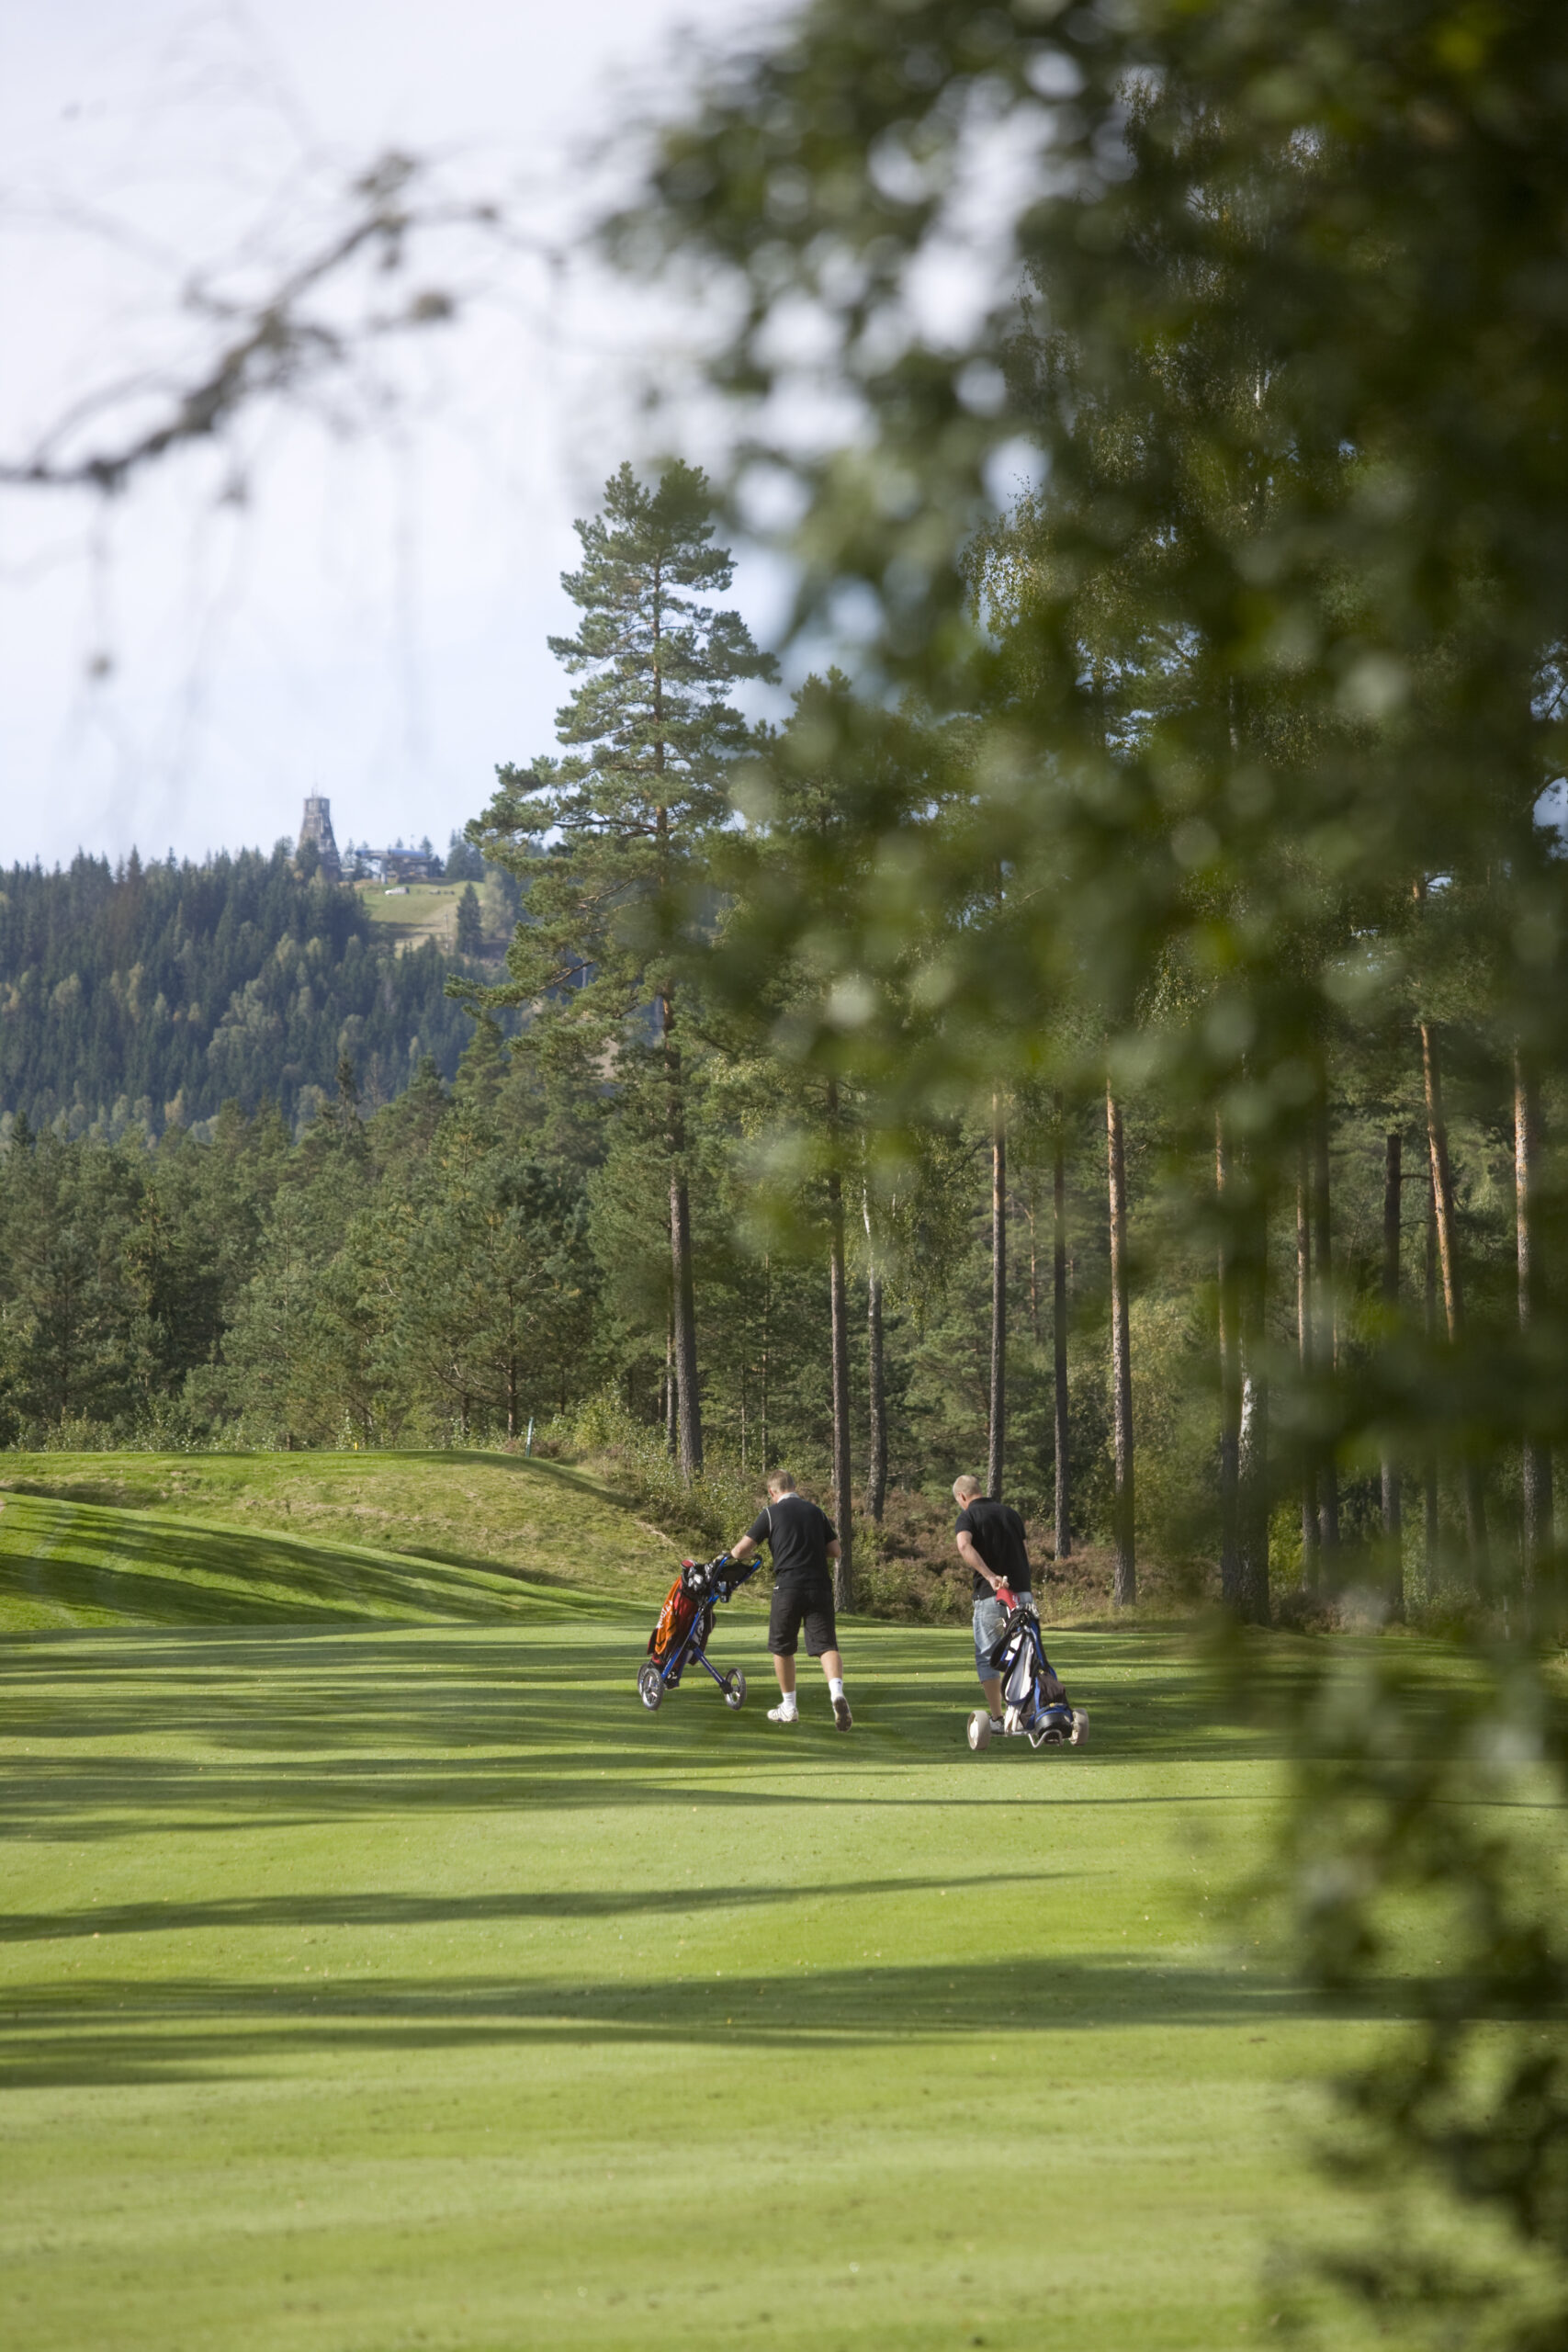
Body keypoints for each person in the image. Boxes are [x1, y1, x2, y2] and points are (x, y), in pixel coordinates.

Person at [726, 1470, 852, 1729]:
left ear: (772, 1493)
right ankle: (836, 1692)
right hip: (820, 1586)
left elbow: (740, 1551)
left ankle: (789, 1706)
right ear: (796, 1486)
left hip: (788, 1586)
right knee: (826, 1645)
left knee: (782, 1647)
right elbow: (836, 1550)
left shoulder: (770, 1514)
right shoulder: (815, 1512)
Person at [953, 1474, 1037, 1736]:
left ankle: (1000, 1718)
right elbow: (1024, 1551)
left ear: (962, 1497)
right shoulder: (1010, 1514)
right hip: (1023, 1594)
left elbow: (964, 1546)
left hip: (991, 1596)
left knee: (989, 1657)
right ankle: (1026, 1714)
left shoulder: (968, 1517)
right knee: (1025, 1653)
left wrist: (990, 1576)